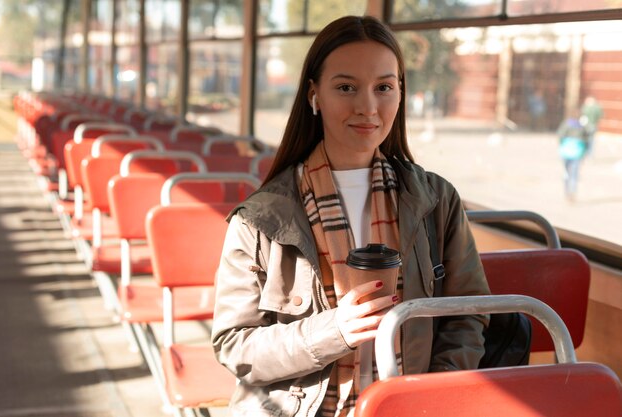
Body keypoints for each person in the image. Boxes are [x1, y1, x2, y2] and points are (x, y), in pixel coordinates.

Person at [212, 15, 490, 417]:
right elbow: (235, 346)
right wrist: (334, 332)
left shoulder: (436, 201)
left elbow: (467, 315)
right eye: (346, 88)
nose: (367, 107)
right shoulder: (261, 218)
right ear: (314, 94)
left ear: (400, 93)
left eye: (384, 88)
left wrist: (426, 398)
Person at [557, 109, 589, 200]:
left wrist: (562, 144)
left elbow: (560, 135)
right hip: (577, 152)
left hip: (566, 152)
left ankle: (566, 191)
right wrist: (584, 152)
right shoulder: (582, 127)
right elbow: (586, 140)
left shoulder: (566, 124)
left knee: (566, 172)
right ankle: (573, 192)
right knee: (574, 174)